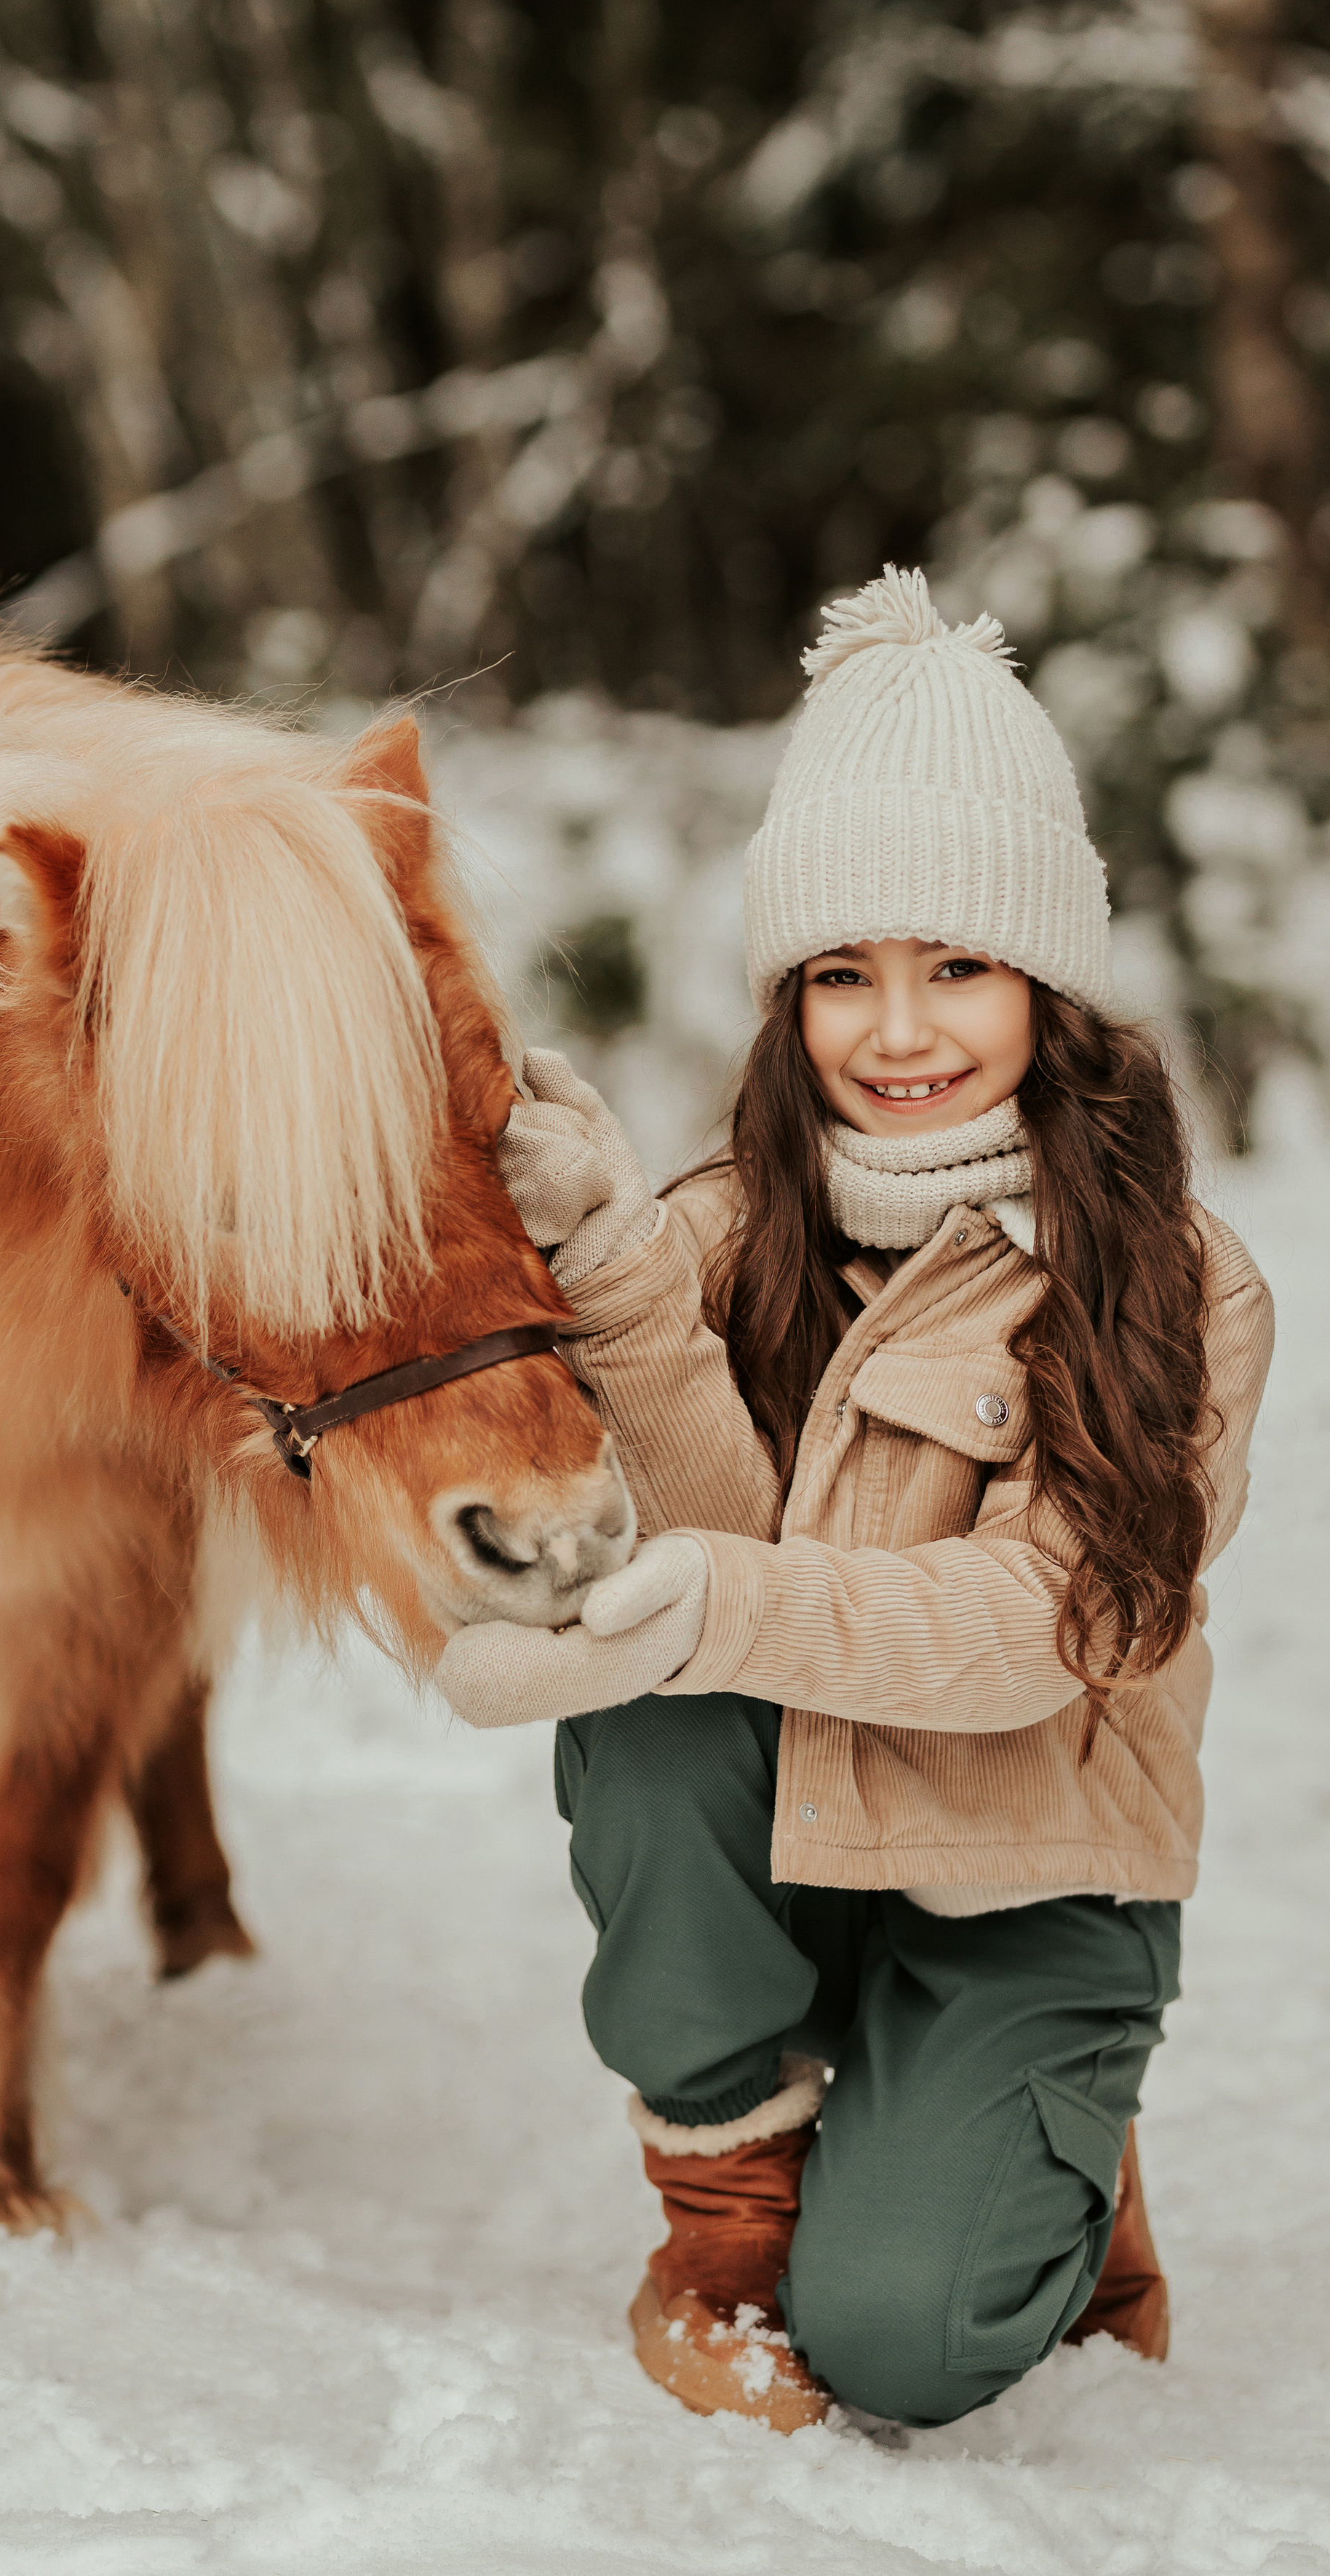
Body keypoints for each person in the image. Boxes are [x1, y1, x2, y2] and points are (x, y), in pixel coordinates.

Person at [434, 566, 1274, 2434]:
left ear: (1045, 981)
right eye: (840, 973)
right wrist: (614, 1285)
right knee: (647, 1727)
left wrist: (725, 1605)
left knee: (905, 2346)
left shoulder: (1171, 1281)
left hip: (1028, 1863)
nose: (895, 1031)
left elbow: (1046, 1628)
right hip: (792, 1828)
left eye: (953, 964)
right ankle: (724, 2226)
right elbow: (711, 1546)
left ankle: (1051, 2160)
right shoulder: (724, 1229)